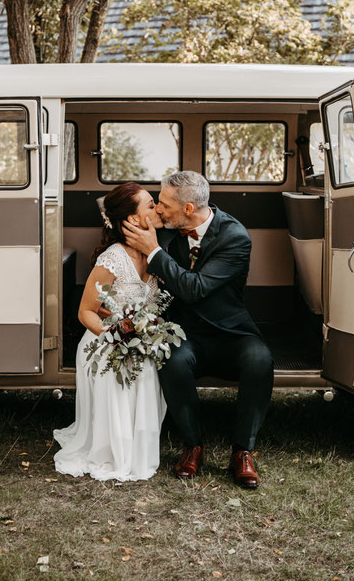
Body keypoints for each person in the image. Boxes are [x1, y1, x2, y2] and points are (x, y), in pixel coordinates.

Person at [122, 171, 273, 490]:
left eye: (163, 204)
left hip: (232, 332)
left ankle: (243, 451)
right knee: (172, 360)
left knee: (260, 360)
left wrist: (154, 253)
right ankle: (193, 445)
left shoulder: (234, 236)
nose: (159, 210)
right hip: (185, 332)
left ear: (188, 209)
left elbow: (195, 288)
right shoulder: (163, 232)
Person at [52, 182, 167, 482]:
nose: (158, 209)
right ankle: (112, 449)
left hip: (140, 341)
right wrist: (116, 335)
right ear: (132, 220)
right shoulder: (114, 258)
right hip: (106, 342)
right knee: (122, 371)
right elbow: (85, 311)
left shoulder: (157, 253)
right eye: (151, 205)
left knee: (148, 369)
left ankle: (136, 445)